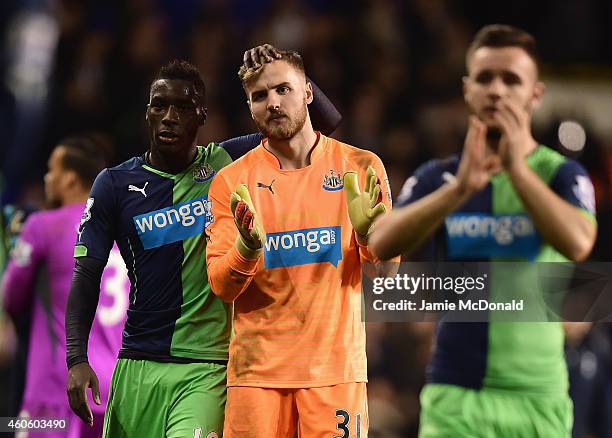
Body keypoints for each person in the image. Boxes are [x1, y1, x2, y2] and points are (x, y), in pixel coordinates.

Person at [65, 51, 341, 438]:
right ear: (147, 113)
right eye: (159, 106)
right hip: (135, 366)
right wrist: (77, 357)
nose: (169, 117)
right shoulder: (114, 184)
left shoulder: (229, 162)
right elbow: (86, 273)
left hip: (206, 368)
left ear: (202, 117)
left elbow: (321, 124)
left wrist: (283, 67)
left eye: (182, 107)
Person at [369, 25, 597, 437]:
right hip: (454, 396)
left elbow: (579, 242)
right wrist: (460, 190)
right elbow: (381, 242)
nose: (496, 90)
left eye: (511, 79)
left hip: (538, 397)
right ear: (467, 88)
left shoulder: (561, 174)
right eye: (485, 77)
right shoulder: (439, 177)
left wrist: (518, 173)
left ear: (535, 94)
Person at [206, 46, 396, 438]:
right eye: (260, 96)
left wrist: (369, 237)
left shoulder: (360, 167)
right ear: (250, 107)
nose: (273, 103)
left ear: (308, 92)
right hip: (256, 374)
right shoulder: (231, 181)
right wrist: (246, 249)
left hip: (335, 373)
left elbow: (385, 272)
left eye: (282, 89)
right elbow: (222, 286)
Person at [2, 135, 130, 438]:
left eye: (52, 170)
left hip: (56, 391)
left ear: (70, 180)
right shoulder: (122, 233)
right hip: (113, 392)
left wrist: (15, 245)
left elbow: (10, 297)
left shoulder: (43, 225)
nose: (47, 178)